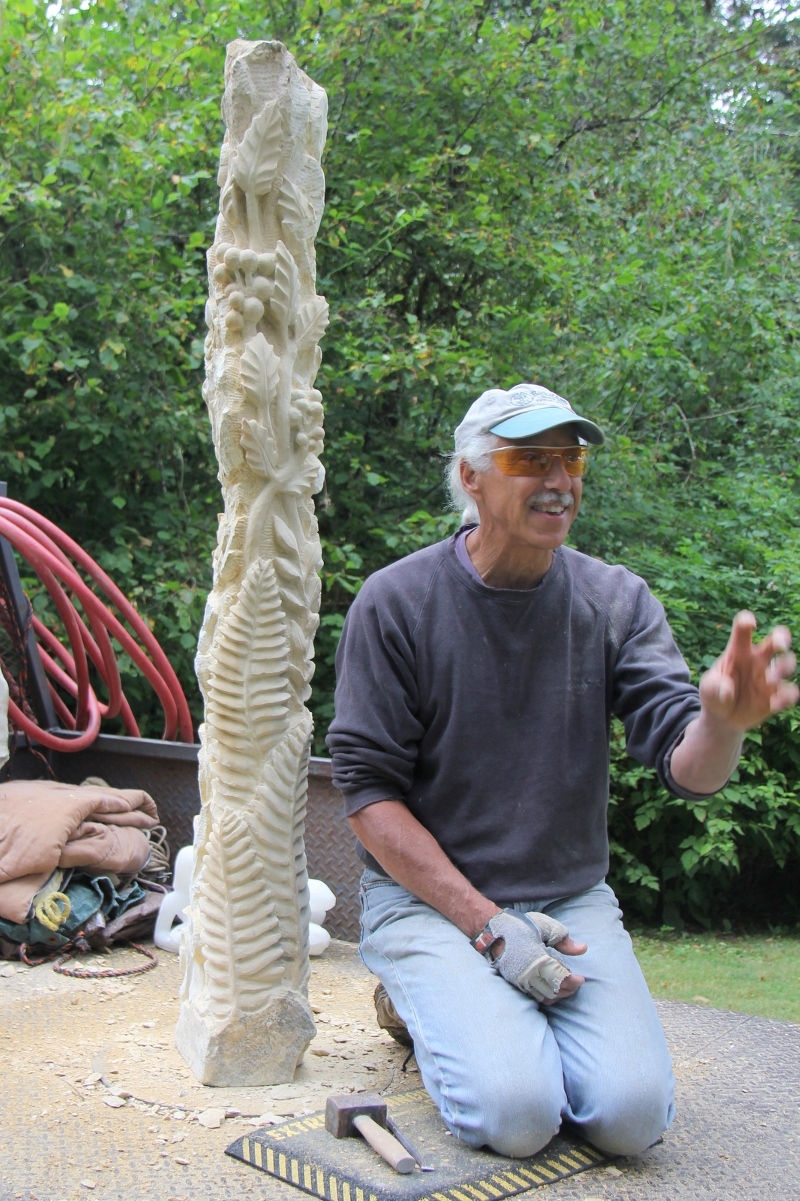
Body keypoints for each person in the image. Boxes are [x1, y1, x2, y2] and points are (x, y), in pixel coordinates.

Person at [326, 383, 797, 1160]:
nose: (560, 479)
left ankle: (471, 1006)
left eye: (570, 458)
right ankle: (421, 996)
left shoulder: (614, 601)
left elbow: (691, 770)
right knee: (517, 1115)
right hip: (429, 901)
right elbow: (369, 797)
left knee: (631, 1118)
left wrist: (721, 723)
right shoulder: (396, 602)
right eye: (530, 459)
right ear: (472, 477)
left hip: (570, 896)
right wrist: (489, 927)